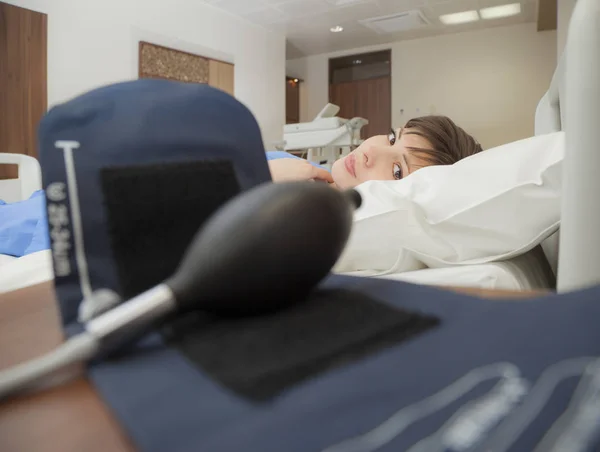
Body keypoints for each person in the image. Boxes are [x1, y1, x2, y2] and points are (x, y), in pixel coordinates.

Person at [268, 116, 483, 189]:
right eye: (392, 138)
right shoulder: (298, 168)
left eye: (397, 170)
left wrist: (260, 178)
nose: (370, 150)